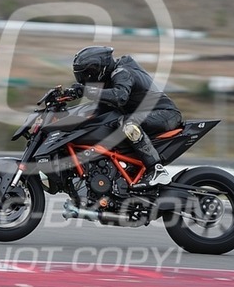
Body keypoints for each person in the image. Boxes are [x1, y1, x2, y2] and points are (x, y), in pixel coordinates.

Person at [71, 46, 183, 189]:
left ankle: (157, 170)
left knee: (127, 123)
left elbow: (120, 97)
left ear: (100, 68)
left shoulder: (122, 72)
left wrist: (87, 91)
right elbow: (98, 111)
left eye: (88, 73)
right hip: (146, 116)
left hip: (165, 114)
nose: (85, 79)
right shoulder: (108, 82)